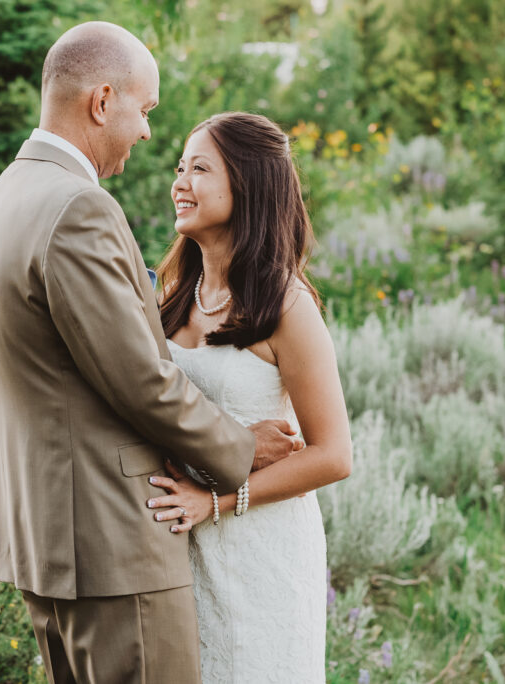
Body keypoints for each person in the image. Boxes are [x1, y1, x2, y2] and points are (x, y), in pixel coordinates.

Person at [0, 23, 299, 684]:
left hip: (46, 538)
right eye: (144, 111)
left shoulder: (7, 196)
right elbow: (142, 381)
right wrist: (239, 448)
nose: (147, 132)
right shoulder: (78, 207)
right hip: (111, 543)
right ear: (101, 101)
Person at [146, 112, 354, 683]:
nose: (179, 182)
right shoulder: (171, 293)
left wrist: (213, 502)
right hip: (178, 546)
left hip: (260, 546)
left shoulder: (288, 306)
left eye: (200, 168)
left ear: (248, 184)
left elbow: (333, 454)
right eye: (179, 166)